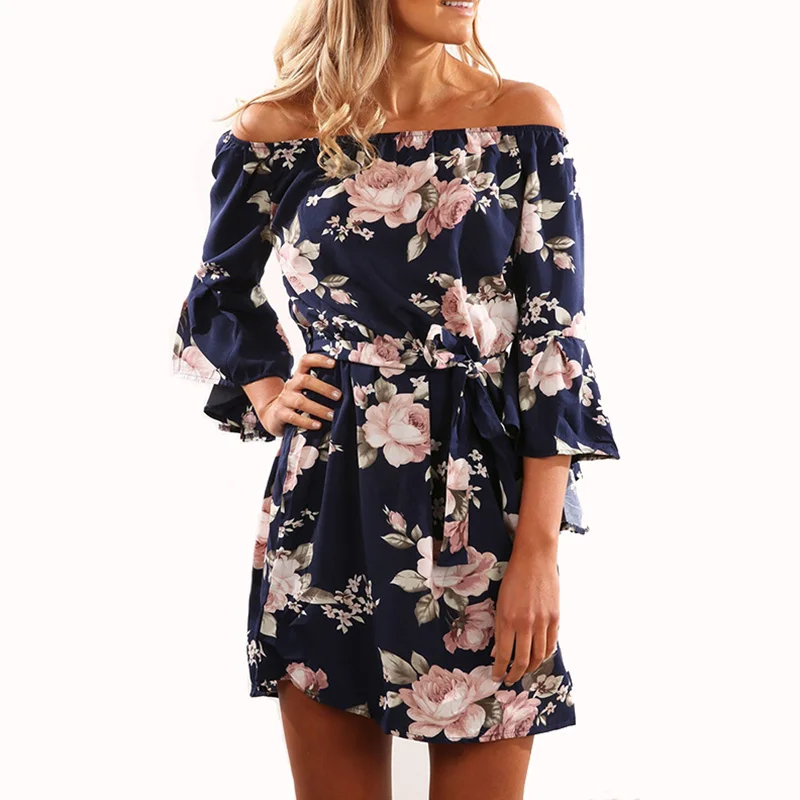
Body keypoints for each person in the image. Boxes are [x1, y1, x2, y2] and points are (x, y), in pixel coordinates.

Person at [172, 0, 621, 797]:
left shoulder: (521, 120)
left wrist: (539, 555)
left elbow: (551, 345)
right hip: (327, 499)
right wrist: (270, 394)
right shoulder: (276, 130)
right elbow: (218, 294)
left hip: (479, 504)